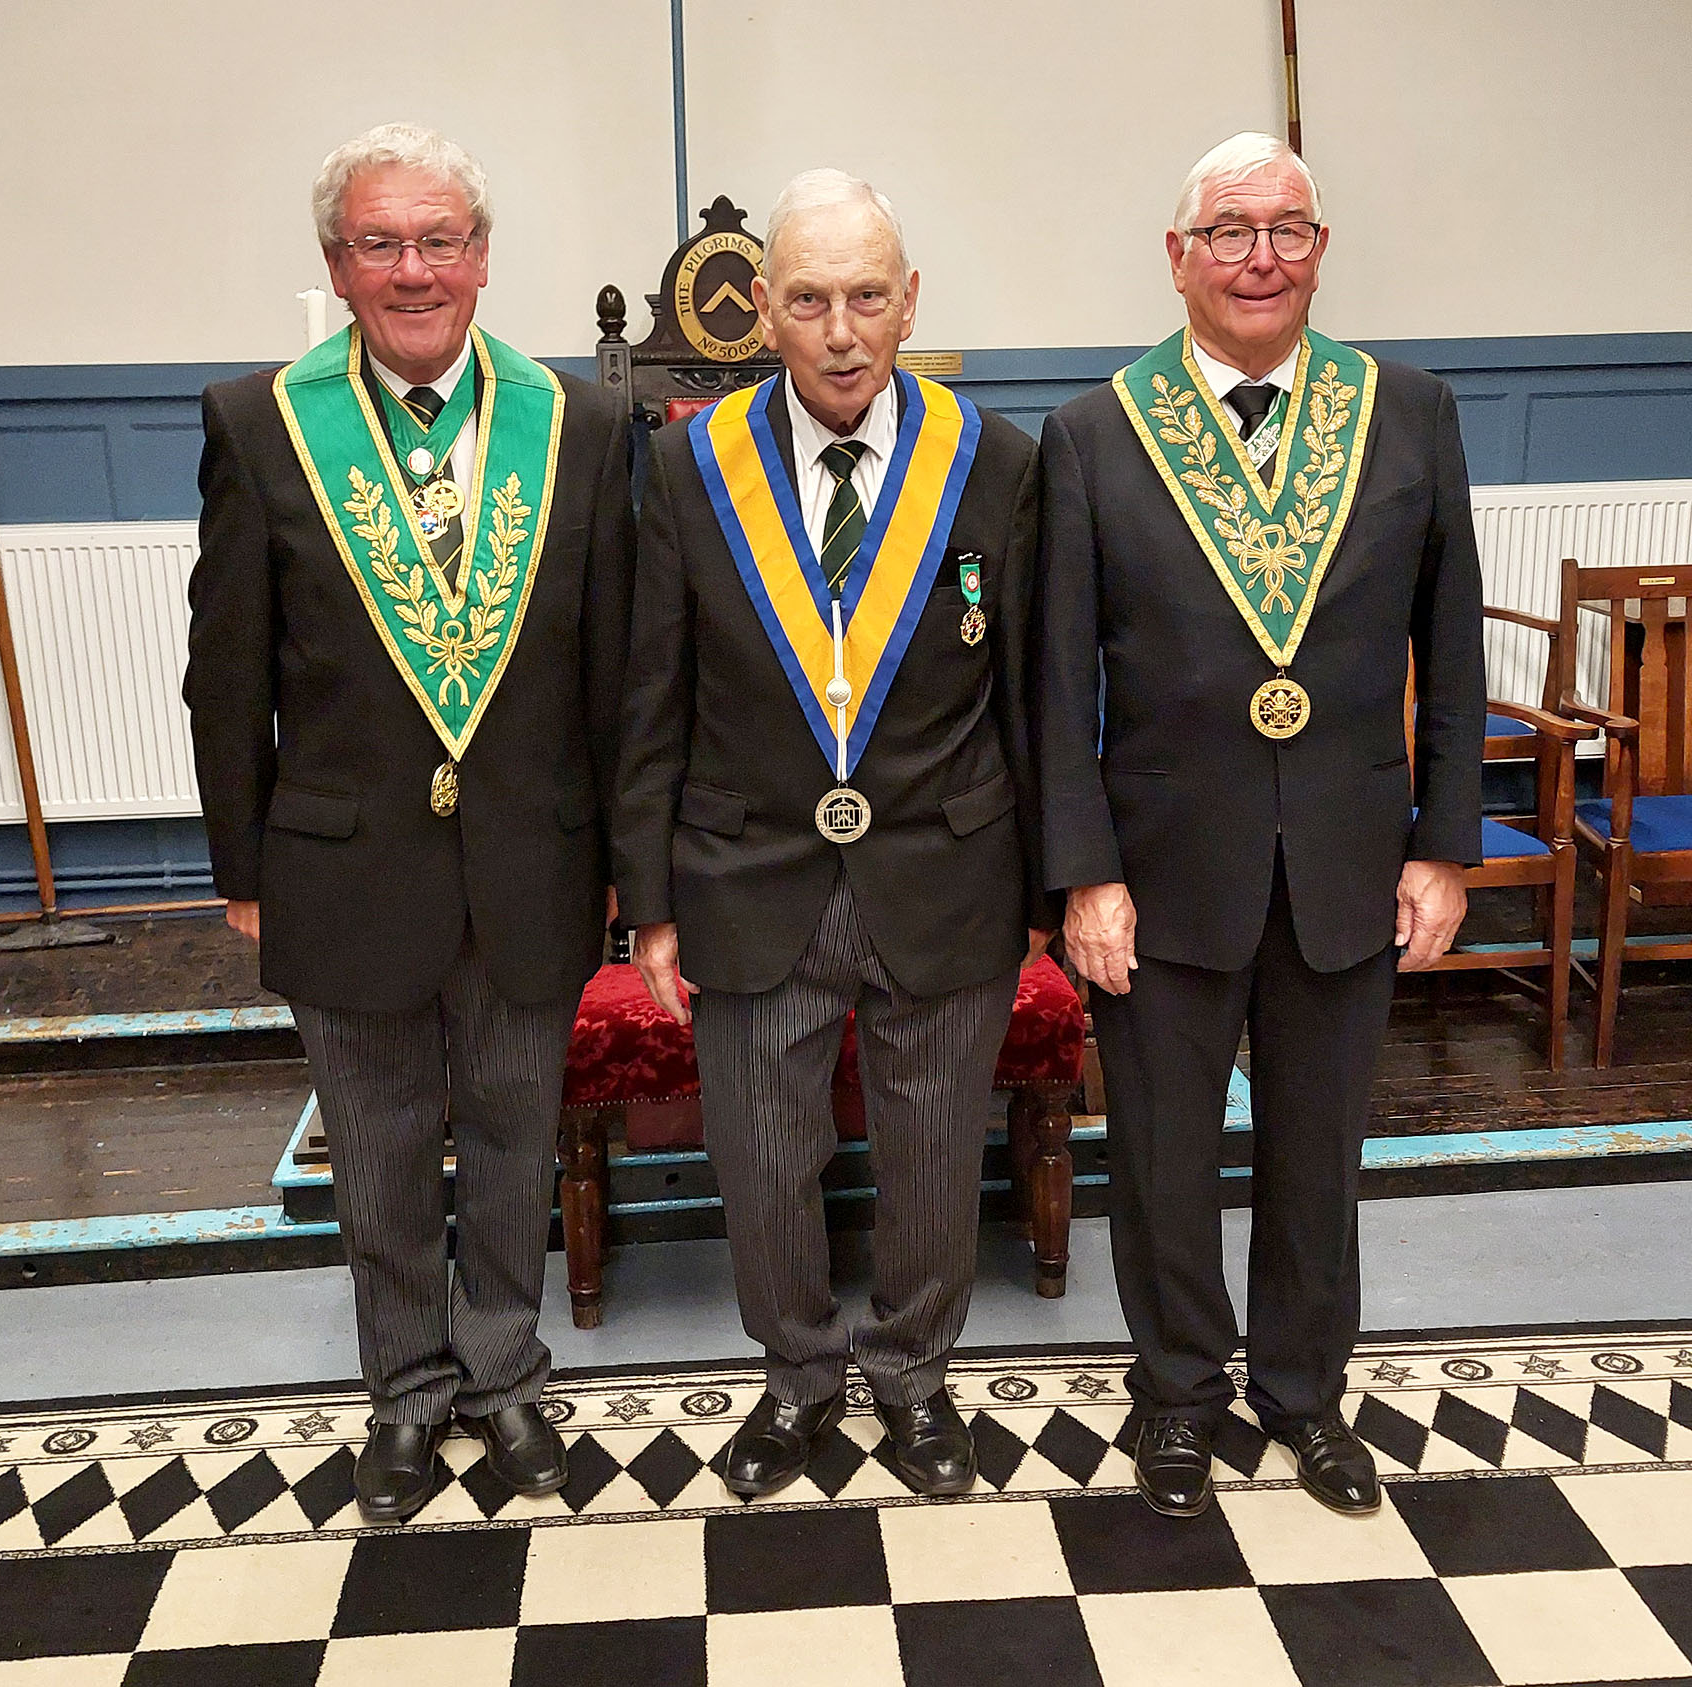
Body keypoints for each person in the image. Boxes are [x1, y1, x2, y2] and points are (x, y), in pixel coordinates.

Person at [183, 122, 634, 1522]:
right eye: (380, 244)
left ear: (484, 258)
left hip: (531, 865)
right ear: (338, 264)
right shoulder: (259, 424)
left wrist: (624, 863)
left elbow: (615, 669)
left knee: (511, 1142)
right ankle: (405, 1394)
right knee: (376, 1150)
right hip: (340, 869)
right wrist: (244, 869)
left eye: (439, 240)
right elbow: (225, 668)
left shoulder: (583, 423)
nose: (413, 270)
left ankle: (501, 1381)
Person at [1034, 133, 1484, 1518]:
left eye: (1289, 228)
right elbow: (1055, 678)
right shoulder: (1096, 431)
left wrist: (1445, 843)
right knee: (1164, 1160)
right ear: (1178, 258)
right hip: (1160, 875)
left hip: (1351, 859)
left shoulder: (1408, 410)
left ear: (1322, 248)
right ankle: (1179, 1397)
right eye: (1229, 230)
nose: (1262, 256)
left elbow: (1450, 642)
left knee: (1317, 1157)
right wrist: (1082, 875)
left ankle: (1308, 1396)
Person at [616, 169, 1050, 1498]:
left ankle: (915, 1379)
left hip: (947, 868)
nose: (844, 331)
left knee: (930, 1154)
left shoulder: (998, 462)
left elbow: (1033, 689)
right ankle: (797, 1379)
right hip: (748, 872)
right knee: (762, 1156)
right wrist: (649, 899)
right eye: (810, 301)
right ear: (766, 316)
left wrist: (1051, 886)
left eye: (870, 296)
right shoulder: (693, 465)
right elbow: (653, 691)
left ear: (909, 301)